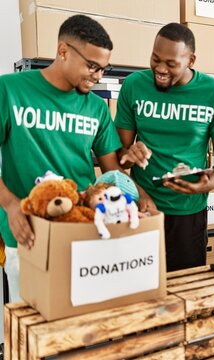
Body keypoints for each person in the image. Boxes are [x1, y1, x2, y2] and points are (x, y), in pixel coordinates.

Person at [0, 15, 124, 302]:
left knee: (83, 334)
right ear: (63, 51)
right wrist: (11, 205)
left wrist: (130, 200)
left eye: (104, 68)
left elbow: (112, 174)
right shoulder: (9, 90)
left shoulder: (97, 108)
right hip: (28, 235)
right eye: (92, 66)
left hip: (85, 234)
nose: (98, 76)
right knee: (32, 335)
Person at [115, 23, 214, 272]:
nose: (160, 69)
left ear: (191, 60)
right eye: (155, 59)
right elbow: (119, 156)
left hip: (188, 213)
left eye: (171, 64)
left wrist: (208, 183)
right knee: (138, 291)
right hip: (141, 208)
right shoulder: (134, 85)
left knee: (185, 293)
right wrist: (128, 154)